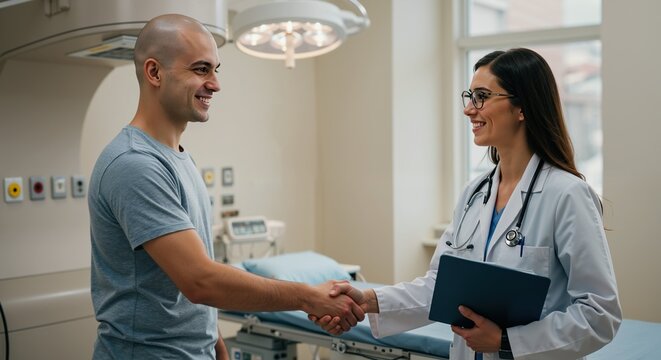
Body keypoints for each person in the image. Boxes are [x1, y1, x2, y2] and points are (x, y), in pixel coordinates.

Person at [312, 48, 621, 360]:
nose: (469, 110)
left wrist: (507, 341)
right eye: (469, 96)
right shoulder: (475, 193)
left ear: (521, 107)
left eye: (482, 96)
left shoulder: (567, 194)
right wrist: (367, 300)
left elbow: (600, 313)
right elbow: (439, 288)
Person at [88, 14, 364, 360]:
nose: (215, 84)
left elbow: (187, 280)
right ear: (154, 72)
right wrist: (308, 296)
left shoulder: (178, 159)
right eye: (201, 69)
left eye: (216, 69)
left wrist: (215, 343)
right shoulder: (135, 164)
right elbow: (200, 280)